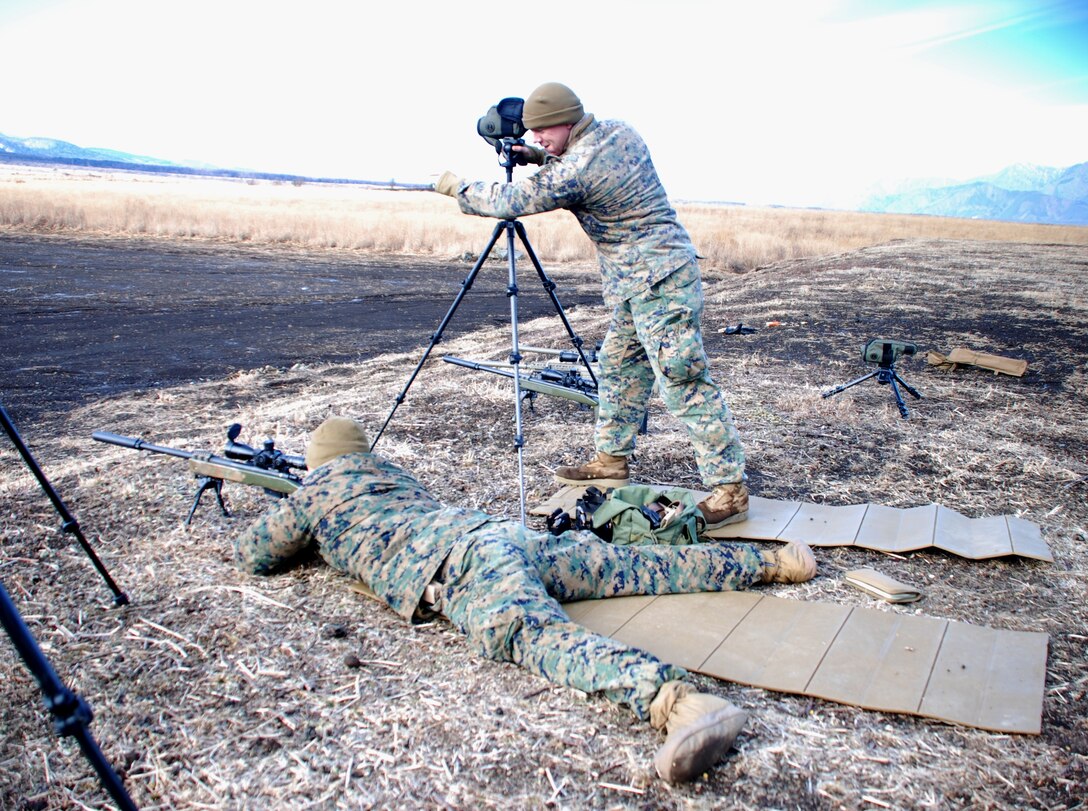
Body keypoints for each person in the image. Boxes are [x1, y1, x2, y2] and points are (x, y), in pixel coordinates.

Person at [234, 417, 817, 783]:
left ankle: (678, 704)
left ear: (317, 464)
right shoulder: (392, 475)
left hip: (464, 566)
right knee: (631, 565)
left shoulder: (316, 492)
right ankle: (777, 562)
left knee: (534, 636)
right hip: (501, 534)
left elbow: (257, 554)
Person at [434, 82, 749, 530]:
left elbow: (510, 201)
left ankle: (730, 490)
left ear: (565, 121)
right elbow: (583, 161)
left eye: (542, 132)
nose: (536, 138)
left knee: (683, 379)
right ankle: (611, 461)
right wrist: (541, 156)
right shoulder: (617, 132)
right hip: (638, 282)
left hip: (659, 282)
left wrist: (452, 186)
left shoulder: (575, 170)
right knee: (618, 367)